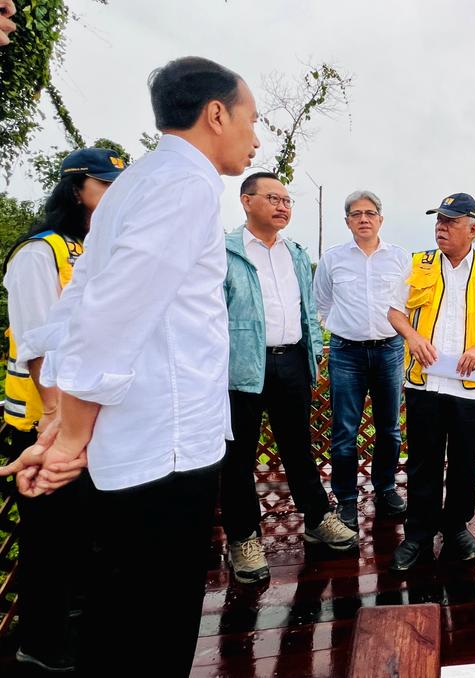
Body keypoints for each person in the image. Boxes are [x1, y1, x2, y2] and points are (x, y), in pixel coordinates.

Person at [0, 56, 260, 675]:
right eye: (252, 119)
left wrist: (58, 421)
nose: (255, 137)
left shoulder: (135, 185)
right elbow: (112, 316)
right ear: (216, 114)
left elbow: (74, 309)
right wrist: (68, 438)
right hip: (165, 450)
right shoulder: (187, 185)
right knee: (154, 626)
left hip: (133, 446)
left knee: (116, 614)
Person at [1, 146, 126, 672]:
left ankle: (74, 632)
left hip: (82, 421)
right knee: (49, 541)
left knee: (83, 539)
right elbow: (36, 341)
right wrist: (54, 418)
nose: (113, 194)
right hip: (42, 423)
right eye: (103, 184)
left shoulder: (99, 250)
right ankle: (41, 644)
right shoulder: (41, 251)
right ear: (76, 189)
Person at [222, 171, 356, 584]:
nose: (283, 206)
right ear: (247, 201)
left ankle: (317, 519)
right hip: (242, 366)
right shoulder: (222, 251)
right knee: (238, 457)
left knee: (298, 447)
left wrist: (312, 353)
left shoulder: (294, 252)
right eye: (273, 198)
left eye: (287, 200)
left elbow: (308, 310)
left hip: (292, 361)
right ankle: (243, 538)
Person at [386, 193, 475, 572]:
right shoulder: (418, 264)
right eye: (438, 221)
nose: (440, 228)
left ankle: (457, 528)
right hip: (425, 383)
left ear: (472, 230)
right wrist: (411, 336)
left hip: (471, 387)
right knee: (423, 463)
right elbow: (395, 313)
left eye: (450, 221)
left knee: (463, 462)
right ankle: (418, 534)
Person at [314, 190, 408, 530]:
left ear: (381, 219)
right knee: (344, 430)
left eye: (370, 213)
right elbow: (321, 303)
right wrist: (343, 328)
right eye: (356, 214)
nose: (364, 219)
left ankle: (385, 489)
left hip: (389, 349)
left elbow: (410, 305)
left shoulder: (400, 258)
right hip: (346, 353)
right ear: (348, 221)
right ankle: (347, 499)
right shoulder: (333, 259)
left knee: (389, 429)